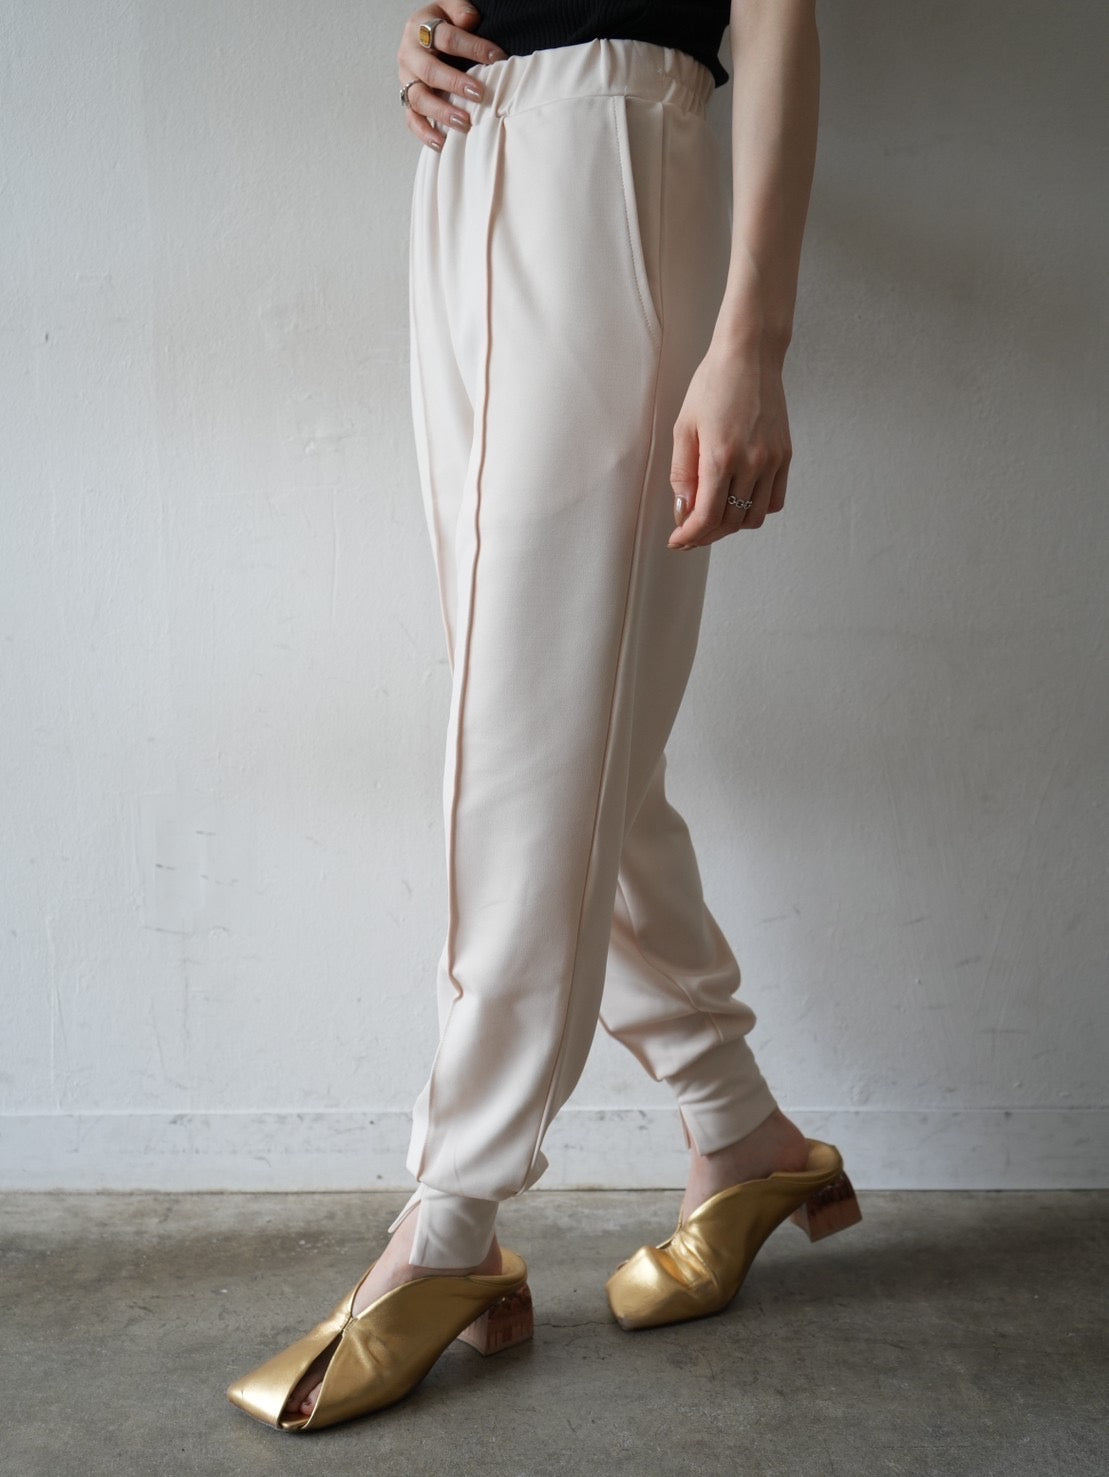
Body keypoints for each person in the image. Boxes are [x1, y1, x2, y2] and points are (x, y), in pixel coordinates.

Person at [227, 0, 861, 1433]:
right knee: (565, 724)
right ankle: (740, 1131)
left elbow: (774, 11)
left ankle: (453, 1215)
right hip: (467, 168)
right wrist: (432, 31)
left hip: (611, 158)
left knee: (529, 736)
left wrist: (753, 338)